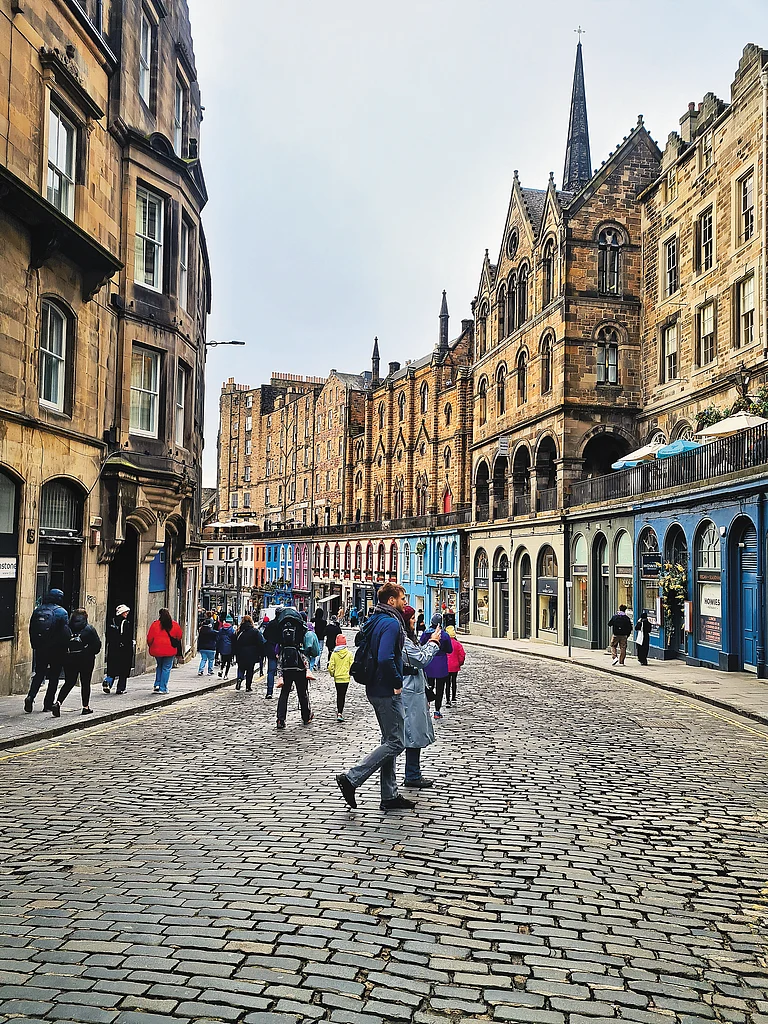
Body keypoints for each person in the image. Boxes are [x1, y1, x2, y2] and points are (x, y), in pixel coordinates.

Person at [335, 582, 415, 812]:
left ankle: (389, 795)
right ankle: (352, 778)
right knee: (396, 742)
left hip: (375, 687)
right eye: (402, 598)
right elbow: (384, 658)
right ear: (391, 600)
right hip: (386, 689)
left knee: (389, 740)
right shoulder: (391, 623)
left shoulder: (375, 619)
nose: (405, 602)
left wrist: (404, 670)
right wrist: (397, 682)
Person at [401, 605, 441, 788]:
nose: (414, 621)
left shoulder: (409, 638)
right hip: (409, 689)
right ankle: (411, 774)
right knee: (408, 734)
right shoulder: (403, 639)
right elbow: (420, 659)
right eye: (411, 618)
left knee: (413, 733)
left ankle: (413, 773)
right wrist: (433, 644)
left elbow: (418, 656)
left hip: (414, 688)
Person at [263, 606, 313, 728]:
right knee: (302, 692)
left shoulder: (280, 627)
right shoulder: (300, 628)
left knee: (284, 693)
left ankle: (280, 720)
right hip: (299, 664)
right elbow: (306, 643)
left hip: (285, 663)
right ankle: (306, 717)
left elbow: (268, 636)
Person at [24, 588, 71, 713]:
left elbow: (31, 628)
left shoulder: (38, 610)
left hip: (41, 648)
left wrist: (35, 645)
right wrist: (67, 646)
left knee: (39, 673)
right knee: (54, 676)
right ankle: (48, 704)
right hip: (57, 649)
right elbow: (65, 632)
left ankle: (30, 696)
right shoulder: (62, 612)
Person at [52, 608, 102, 717]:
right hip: (86, 660)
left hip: (69, 659)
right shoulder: (89, 629)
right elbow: (97, 646)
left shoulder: (66, 629)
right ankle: (85, 707)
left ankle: (58, 703)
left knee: (69, 682)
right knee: (85, 683)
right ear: (85, 617)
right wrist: (88, 651)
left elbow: (59, 644)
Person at [420, 613, 453, 720]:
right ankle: (437, 711)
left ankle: (427, 705)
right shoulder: (444, 635)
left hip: (429, 663)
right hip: (441, 665)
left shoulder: (426, 633)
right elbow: (449, 649)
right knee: (440, 689)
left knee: (429, 686)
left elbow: (421, 645)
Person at [146, 608, 182, 694]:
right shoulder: (174, 624)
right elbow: (179, 636)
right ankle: (163, 688)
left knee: (159, 666)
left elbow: (149, 638)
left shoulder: (155, 625)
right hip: (170, 650)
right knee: (166, 668)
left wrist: (151, 646)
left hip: (157, 649)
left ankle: (157, 684)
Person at [104, 604, 134, 694]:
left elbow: (108, 634)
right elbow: (127, 637)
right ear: (121, 613)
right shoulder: (125, 623)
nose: (127, 613)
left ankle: (108, 682)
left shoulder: (111, 621)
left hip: (113, 647)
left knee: (112, 667)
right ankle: (120, 688)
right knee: (123, 669)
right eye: (125, 612)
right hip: (123, 649)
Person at [233, 614, 265, 691]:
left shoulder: (238, 631)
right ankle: (248, 686)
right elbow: (261, 642)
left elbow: (234, 642)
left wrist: (234, 652)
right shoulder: (255, 631)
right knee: (250, 670)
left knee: (241, 668)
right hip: (251, 653)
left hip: (240, 653)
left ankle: (239, 679)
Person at [327, 633, 353, 722]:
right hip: (345, 678)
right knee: (343, 695)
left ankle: (339, 712)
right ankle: (340, 712)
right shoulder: (349, 654)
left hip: (337, 678)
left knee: (339, 695)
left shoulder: (334, 654)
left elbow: (331, 667)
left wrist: (332, 674)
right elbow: (352, 666)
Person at [445, 625, 466, 706]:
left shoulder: (445, 643)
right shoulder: (458, 644)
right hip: (455, 666)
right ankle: (453, 697)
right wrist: (459, 663)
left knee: (447, 683)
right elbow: (462, 655)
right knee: (454, 681)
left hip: (446, 666)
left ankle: (447, 700)